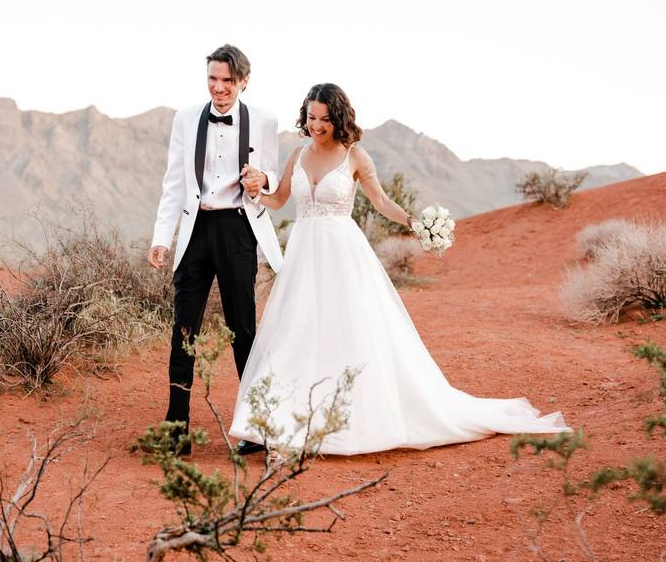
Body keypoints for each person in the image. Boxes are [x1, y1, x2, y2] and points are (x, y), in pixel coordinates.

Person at [228, 83, 570, 454]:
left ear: (338, 118)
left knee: (351, 330)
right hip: (303, 253)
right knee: (293, 331)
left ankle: (354, 419)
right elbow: (278, 200)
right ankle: (269, 423)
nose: (317, 126)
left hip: (342, 253)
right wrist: (254, 191)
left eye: (325, 119)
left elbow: (381, 201)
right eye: (311, 117)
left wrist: (415, 223)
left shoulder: (355, 156)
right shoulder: (296, 154)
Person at [148, 44, 283, 456]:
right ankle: (177, 430)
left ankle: (257, 429)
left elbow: (273, 177)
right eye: (213, 79)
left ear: (243, 81)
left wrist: (264, 179)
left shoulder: (264, 121)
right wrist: (161, 237)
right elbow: (174, 182)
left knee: (243, 330)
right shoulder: (186, 119)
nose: (219, 88)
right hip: (197, 229)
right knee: (183, 330)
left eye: (227, 80)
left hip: (239, 228)